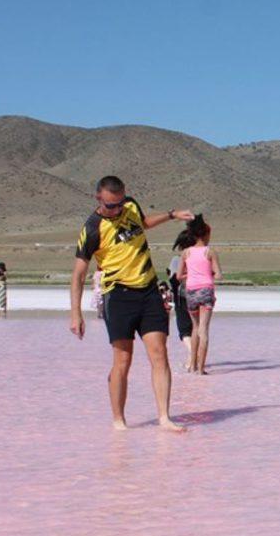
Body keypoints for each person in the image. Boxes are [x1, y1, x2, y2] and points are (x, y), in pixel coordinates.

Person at [69, 175, 194, 431]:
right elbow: (79, 274)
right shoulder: (92, 228)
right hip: (118, 296)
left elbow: (145, 222)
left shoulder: (130, 206)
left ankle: (164, 417)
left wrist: (171, 215)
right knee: (123, 360)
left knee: (159, 353)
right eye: (110, 205)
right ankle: (119, 421)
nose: (116, 210)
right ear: (98, 198)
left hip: (148, 291)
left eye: (120, 203)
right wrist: (76, 314)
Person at [176, 215, 222, 375]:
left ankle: (193, 365)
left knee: (195, 328)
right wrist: (207, 272)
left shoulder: (186, 253)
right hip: (206, 291)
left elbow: (178, 276)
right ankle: (201, 368)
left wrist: (190, 275)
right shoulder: (210, 252)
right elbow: (218, 275)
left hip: (191, 291)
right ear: (206, 235)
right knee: (204, 329)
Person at [168, 230, 196, 371]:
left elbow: (173, 278)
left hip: (182, 297)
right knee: (196, 328)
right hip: (199, 295)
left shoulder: (176, 260)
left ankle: (192, 354)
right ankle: (192, 359)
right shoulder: (199, 258)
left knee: (184, 330)